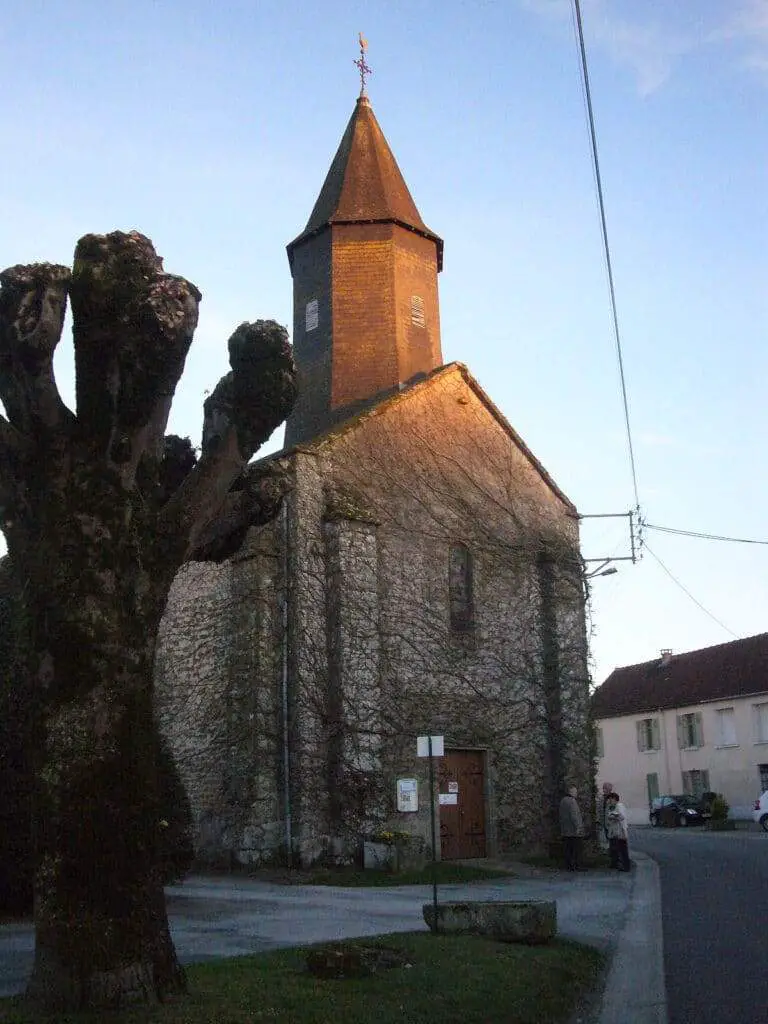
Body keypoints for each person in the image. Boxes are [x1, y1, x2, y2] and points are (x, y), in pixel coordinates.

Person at [559, 786, 584, 871]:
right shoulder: (572, 801)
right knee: (576, 849)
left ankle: (568, 866)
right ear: (571, 792)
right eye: (575, 792)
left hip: (565, 830)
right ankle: (577, 865)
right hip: (573, 830)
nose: (576, 793)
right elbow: (574, 816)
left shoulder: (563, 801)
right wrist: (578, 827)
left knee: (567, 849)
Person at [605, 792, 631, 871]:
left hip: (621, 830)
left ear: (614, 799)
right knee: (618, 849)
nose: (609, 801)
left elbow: (622, 817)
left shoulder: (619, 806)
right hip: (616, 831)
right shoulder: (612, 807)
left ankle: (626, 866)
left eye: (610, 799)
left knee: (623, 849)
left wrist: (612, 817)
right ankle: (621, 865)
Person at [597, 781, 613, 851]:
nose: (603, 790)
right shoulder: (601, 798)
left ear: (609, 790)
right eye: (603, 788)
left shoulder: (612, 798)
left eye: (605, 789)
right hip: (602, 821)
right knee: (605, 836)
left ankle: (612, 850)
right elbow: (599, 809)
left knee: (611, 838)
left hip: (610, 822)